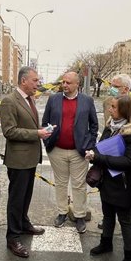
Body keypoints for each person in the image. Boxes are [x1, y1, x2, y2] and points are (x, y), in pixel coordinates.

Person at [86, 95, 131, 261]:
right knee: (107, 215)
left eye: (114, 107)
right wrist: (93, 153)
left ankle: (130, 257)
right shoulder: (110, 127)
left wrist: (99, 157)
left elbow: (130, 161)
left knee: (125, 220)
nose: (110, 110)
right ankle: (106, 243)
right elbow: (101, 147)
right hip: (107, 181)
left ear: (124, 110)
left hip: (124, 184)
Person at [0, 66, 52, 258]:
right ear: (24, 81)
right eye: (35, 80)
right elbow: (9, 131)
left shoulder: (29, 99)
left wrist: (41, 129)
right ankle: (13, 237)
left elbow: (28, 125)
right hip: (18, 159)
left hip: (30, 158)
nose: (38, 84)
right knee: (16, 199)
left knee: (26, 196)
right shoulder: (9, 101)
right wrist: (36, 133)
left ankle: (23, 223)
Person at [42, 71, 98, 233]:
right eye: (63, 82)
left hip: (79, 152)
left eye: (68, 83)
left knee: (79, 185)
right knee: (60, 183)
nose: (64, 85)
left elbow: (94, 126)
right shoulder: (54, 99)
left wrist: (89, 145)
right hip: (57, 150)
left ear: (77, 85)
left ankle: (80, 216)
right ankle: (62, 212)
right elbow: (45, 122)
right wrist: (47, 142)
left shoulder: (87, 101)